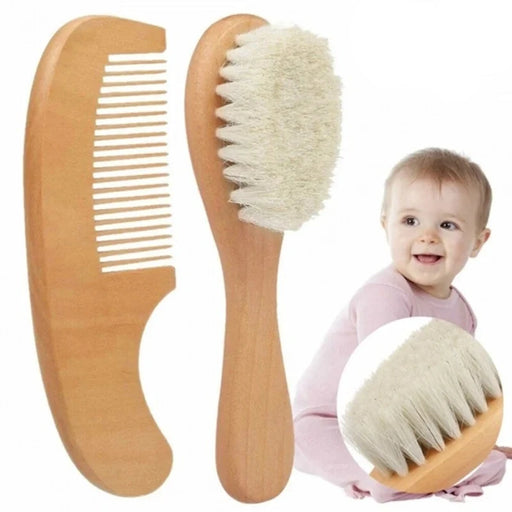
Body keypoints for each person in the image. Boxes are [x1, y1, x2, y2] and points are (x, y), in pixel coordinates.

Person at [293, 147, 510, 502]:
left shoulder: (463, 312)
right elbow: (385, 384)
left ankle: (431, 475)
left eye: (447, 225)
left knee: (491, 462)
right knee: (314, 444)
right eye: (410, 221)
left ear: (477, 242)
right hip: (328, 421)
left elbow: (450, 394)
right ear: (386, 226)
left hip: (403, 427)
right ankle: (398, 478)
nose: (427, 236)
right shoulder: (385, 295)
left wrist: (475, 438)